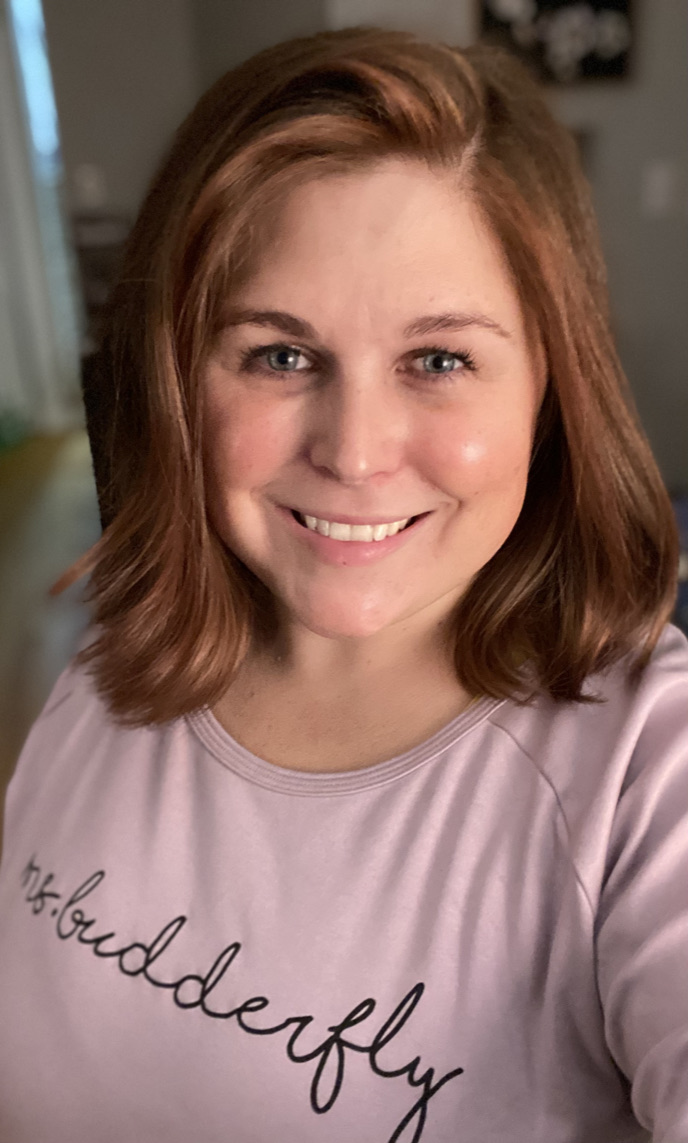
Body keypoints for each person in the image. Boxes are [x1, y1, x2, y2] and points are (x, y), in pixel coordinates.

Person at [0, 25, 686, 1143]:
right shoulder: (103, 668)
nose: (356, 451)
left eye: (438, 359)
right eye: (279, 354)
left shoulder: (647, 767)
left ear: (549, 389)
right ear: (181, 379)